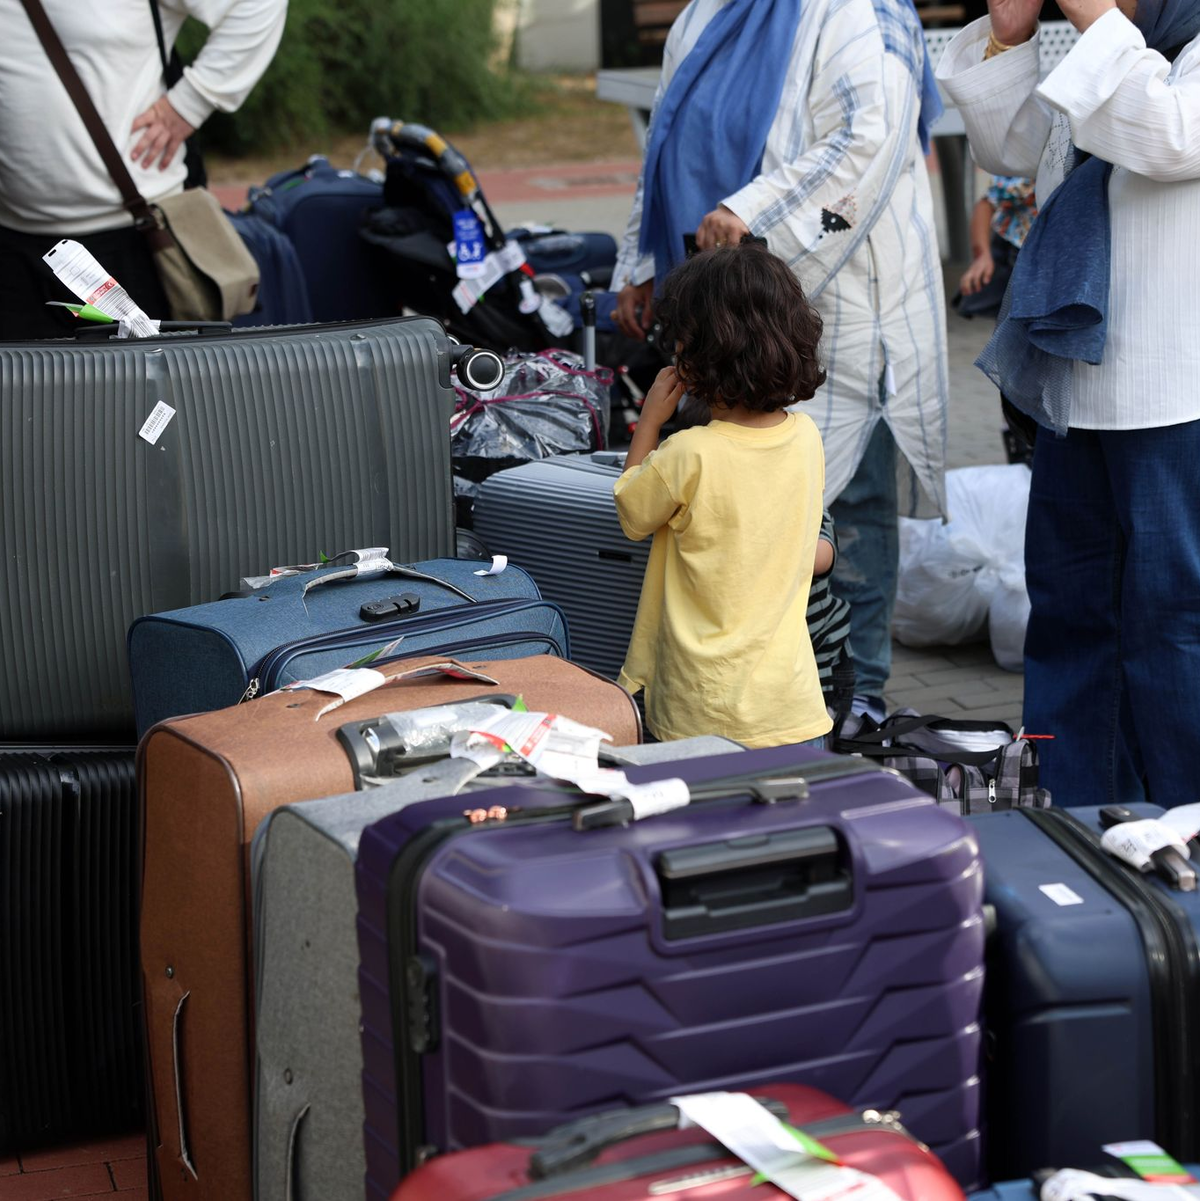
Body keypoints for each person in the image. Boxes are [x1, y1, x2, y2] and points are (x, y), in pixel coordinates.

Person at [612, 0, 950, 726]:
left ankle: (859, 693)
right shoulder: (707, 12)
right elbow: (666, 137)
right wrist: (642, 262)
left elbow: (873, 134)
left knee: (851, 505)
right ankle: (803, 697)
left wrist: (752, 214)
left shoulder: (863, 10)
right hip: (722, 298)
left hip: (835, 297)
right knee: (743, 508)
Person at [936, 0, 1200, 806]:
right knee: (1067, 617)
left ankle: (1184, 825)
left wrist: (1093, 17)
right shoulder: (1107, 35)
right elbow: (1012, 148)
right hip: (1074, 380)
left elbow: (1170, 135)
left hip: (1176, 388)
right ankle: (1073, 822)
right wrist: (1010, 36)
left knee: (1175, 623)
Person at [613, 244, 831, 749]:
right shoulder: (805, 436)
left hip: (701, 712)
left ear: (699, 352)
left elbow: (630, 510)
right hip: (792, 706)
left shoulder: (689, 453)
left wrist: (649, 422)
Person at [0, 0, 286, 340]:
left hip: (132, 241)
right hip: (11, 250)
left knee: (141, 391)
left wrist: (191, 102)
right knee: (24, 392)